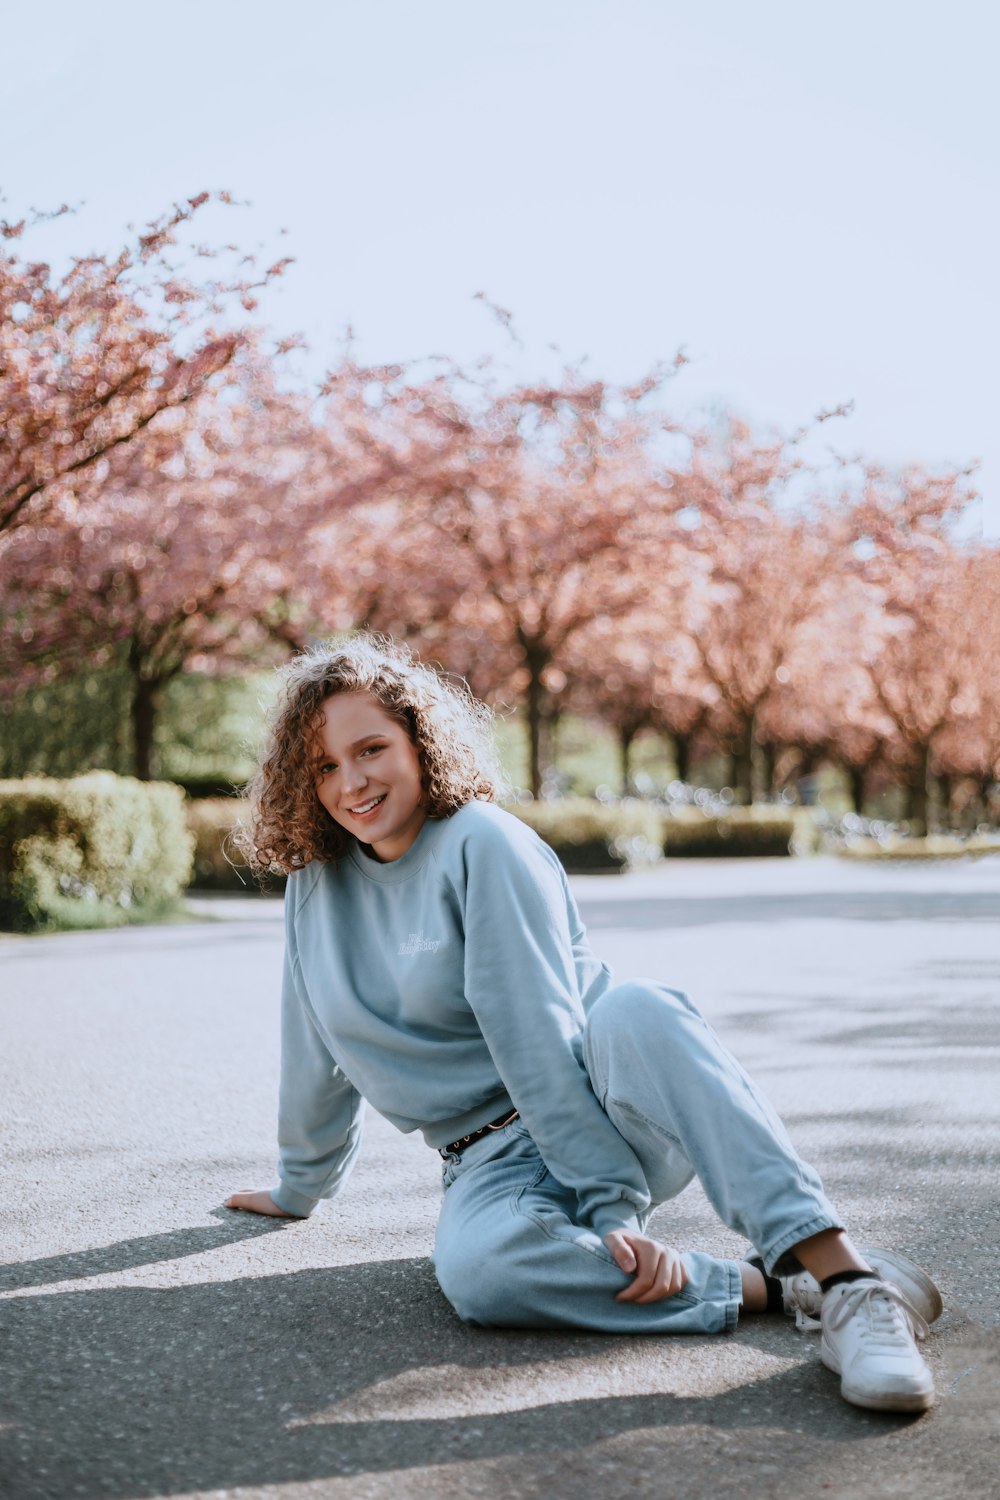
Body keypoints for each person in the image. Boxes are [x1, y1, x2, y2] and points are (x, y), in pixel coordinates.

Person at [226, 634, 942, 1414]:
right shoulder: (315, 884)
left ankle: (847, 1280)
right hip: (486, 1159)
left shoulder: (482, 844)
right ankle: (779, 1287)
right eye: (325, 765)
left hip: (602, 1099)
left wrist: (609, 1207)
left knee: (638, 1008)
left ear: (419, 744)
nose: (352, 782)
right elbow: (313, 1042)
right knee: (481, 1273)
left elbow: (530, 1034)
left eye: (371, 749)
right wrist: (300, 1185)